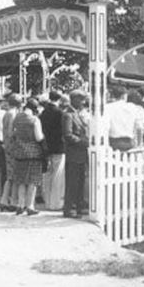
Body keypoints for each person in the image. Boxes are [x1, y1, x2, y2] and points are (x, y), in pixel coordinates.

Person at [10, 97, 44, 216]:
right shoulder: (34, 120)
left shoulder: (17, 118)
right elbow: (39, 137)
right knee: (32, 180)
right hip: (33, 153)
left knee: (21, 180)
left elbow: (12, 133)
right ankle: (30, 206)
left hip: (19, 152)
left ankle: (20, 204)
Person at [62, 90, 89, 218]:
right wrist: (83, 142)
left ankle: (79, 205)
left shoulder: (76, 113)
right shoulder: (68, 115)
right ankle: (69, 208)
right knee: (72, 182)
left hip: (80, 154)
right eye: (81, 100)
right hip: (74, 153)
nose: (83, 103)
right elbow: (68, 135)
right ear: (74, 99)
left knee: (80, 181)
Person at [39, 90, 65, 210]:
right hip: (58, 147)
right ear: (59, 99)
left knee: (47, 175)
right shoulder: (60, 113)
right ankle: (56, 203)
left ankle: (47, 201)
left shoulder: (43, 113)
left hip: (46, 147)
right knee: (57, 175)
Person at [0, 93, 21, 212]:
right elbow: (10, 132)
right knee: (14, 175)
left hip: (7, 146)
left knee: (10, 175)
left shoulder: (7, 114)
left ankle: (5, 200)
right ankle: (11, 200)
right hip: (13, 147)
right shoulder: (13, 114)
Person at [105, 85, 140, 151]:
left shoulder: (107, 107)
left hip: (113, 143)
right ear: (124, 96)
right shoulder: (132, 107)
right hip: (129, 142)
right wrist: (138, 144)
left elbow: (106, 127)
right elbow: (139, 127)